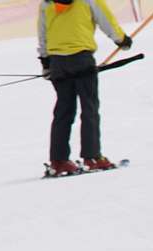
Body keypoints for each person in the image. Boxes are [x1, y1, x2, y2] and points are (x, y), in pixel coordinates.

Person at [37, 0, 140, 176]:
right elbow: (105, 19)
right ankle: (92, 157)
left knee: (63, 110)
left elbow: (42, 32)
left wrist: (46, 62)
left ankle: (59, 161)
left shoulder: (47, 3)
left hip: (57, 61)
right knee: (89, 108)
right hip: (81, 58)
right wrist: (121, 40)